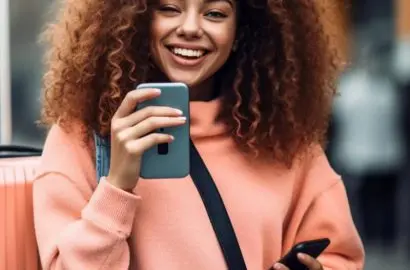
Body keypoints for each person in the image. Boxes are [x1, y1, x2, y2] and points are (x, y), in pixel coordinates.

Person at [33, 0, 365, 269]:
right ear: (138, 17)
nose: (191, 27)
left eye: (215, 13)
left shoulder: (285, 141)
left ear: (240, 31)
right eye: (169, 8)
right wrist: (117, 185)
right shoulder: (82, 139)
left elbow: (340, 257)